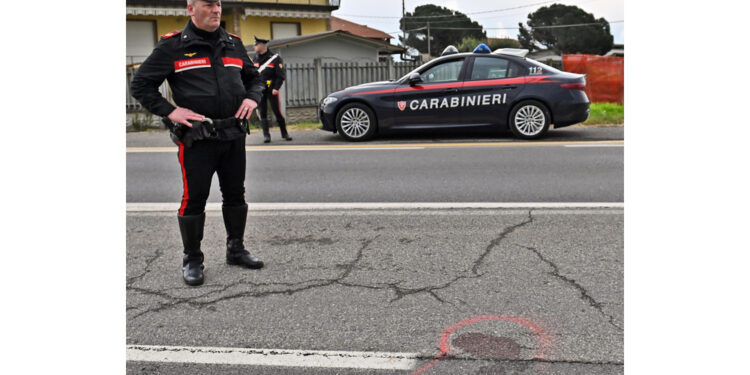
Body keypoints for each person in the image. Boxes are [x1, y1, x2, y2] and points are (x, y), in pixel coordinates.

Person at [130, 0, 265, 286]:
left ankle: (236, 249)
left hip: (233, 135)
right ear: (191, 9)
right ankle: (192, 259)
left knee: (236, 195)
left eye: (218, 4)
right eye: (208, 4)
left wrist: (253, 98)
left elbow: (255, 79)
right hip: (197, 138)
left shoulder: (233, 43)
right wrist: (170, 111)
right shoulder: (173, 46)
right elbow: (140, 84)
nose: (216, 10)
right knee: (195, 199)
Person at [252, 36, 292, 143]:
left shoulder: (275, 58)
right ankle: (266, 136)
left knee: (277, 111)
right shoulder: (255, 59)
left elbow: (280, 75)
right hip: (260, 90)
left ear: (262, 45)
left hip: (271, 89)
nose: (254, 46)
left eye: (256, 44)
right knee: (262, 112)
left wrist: (276, 88)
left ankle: (284, 133)